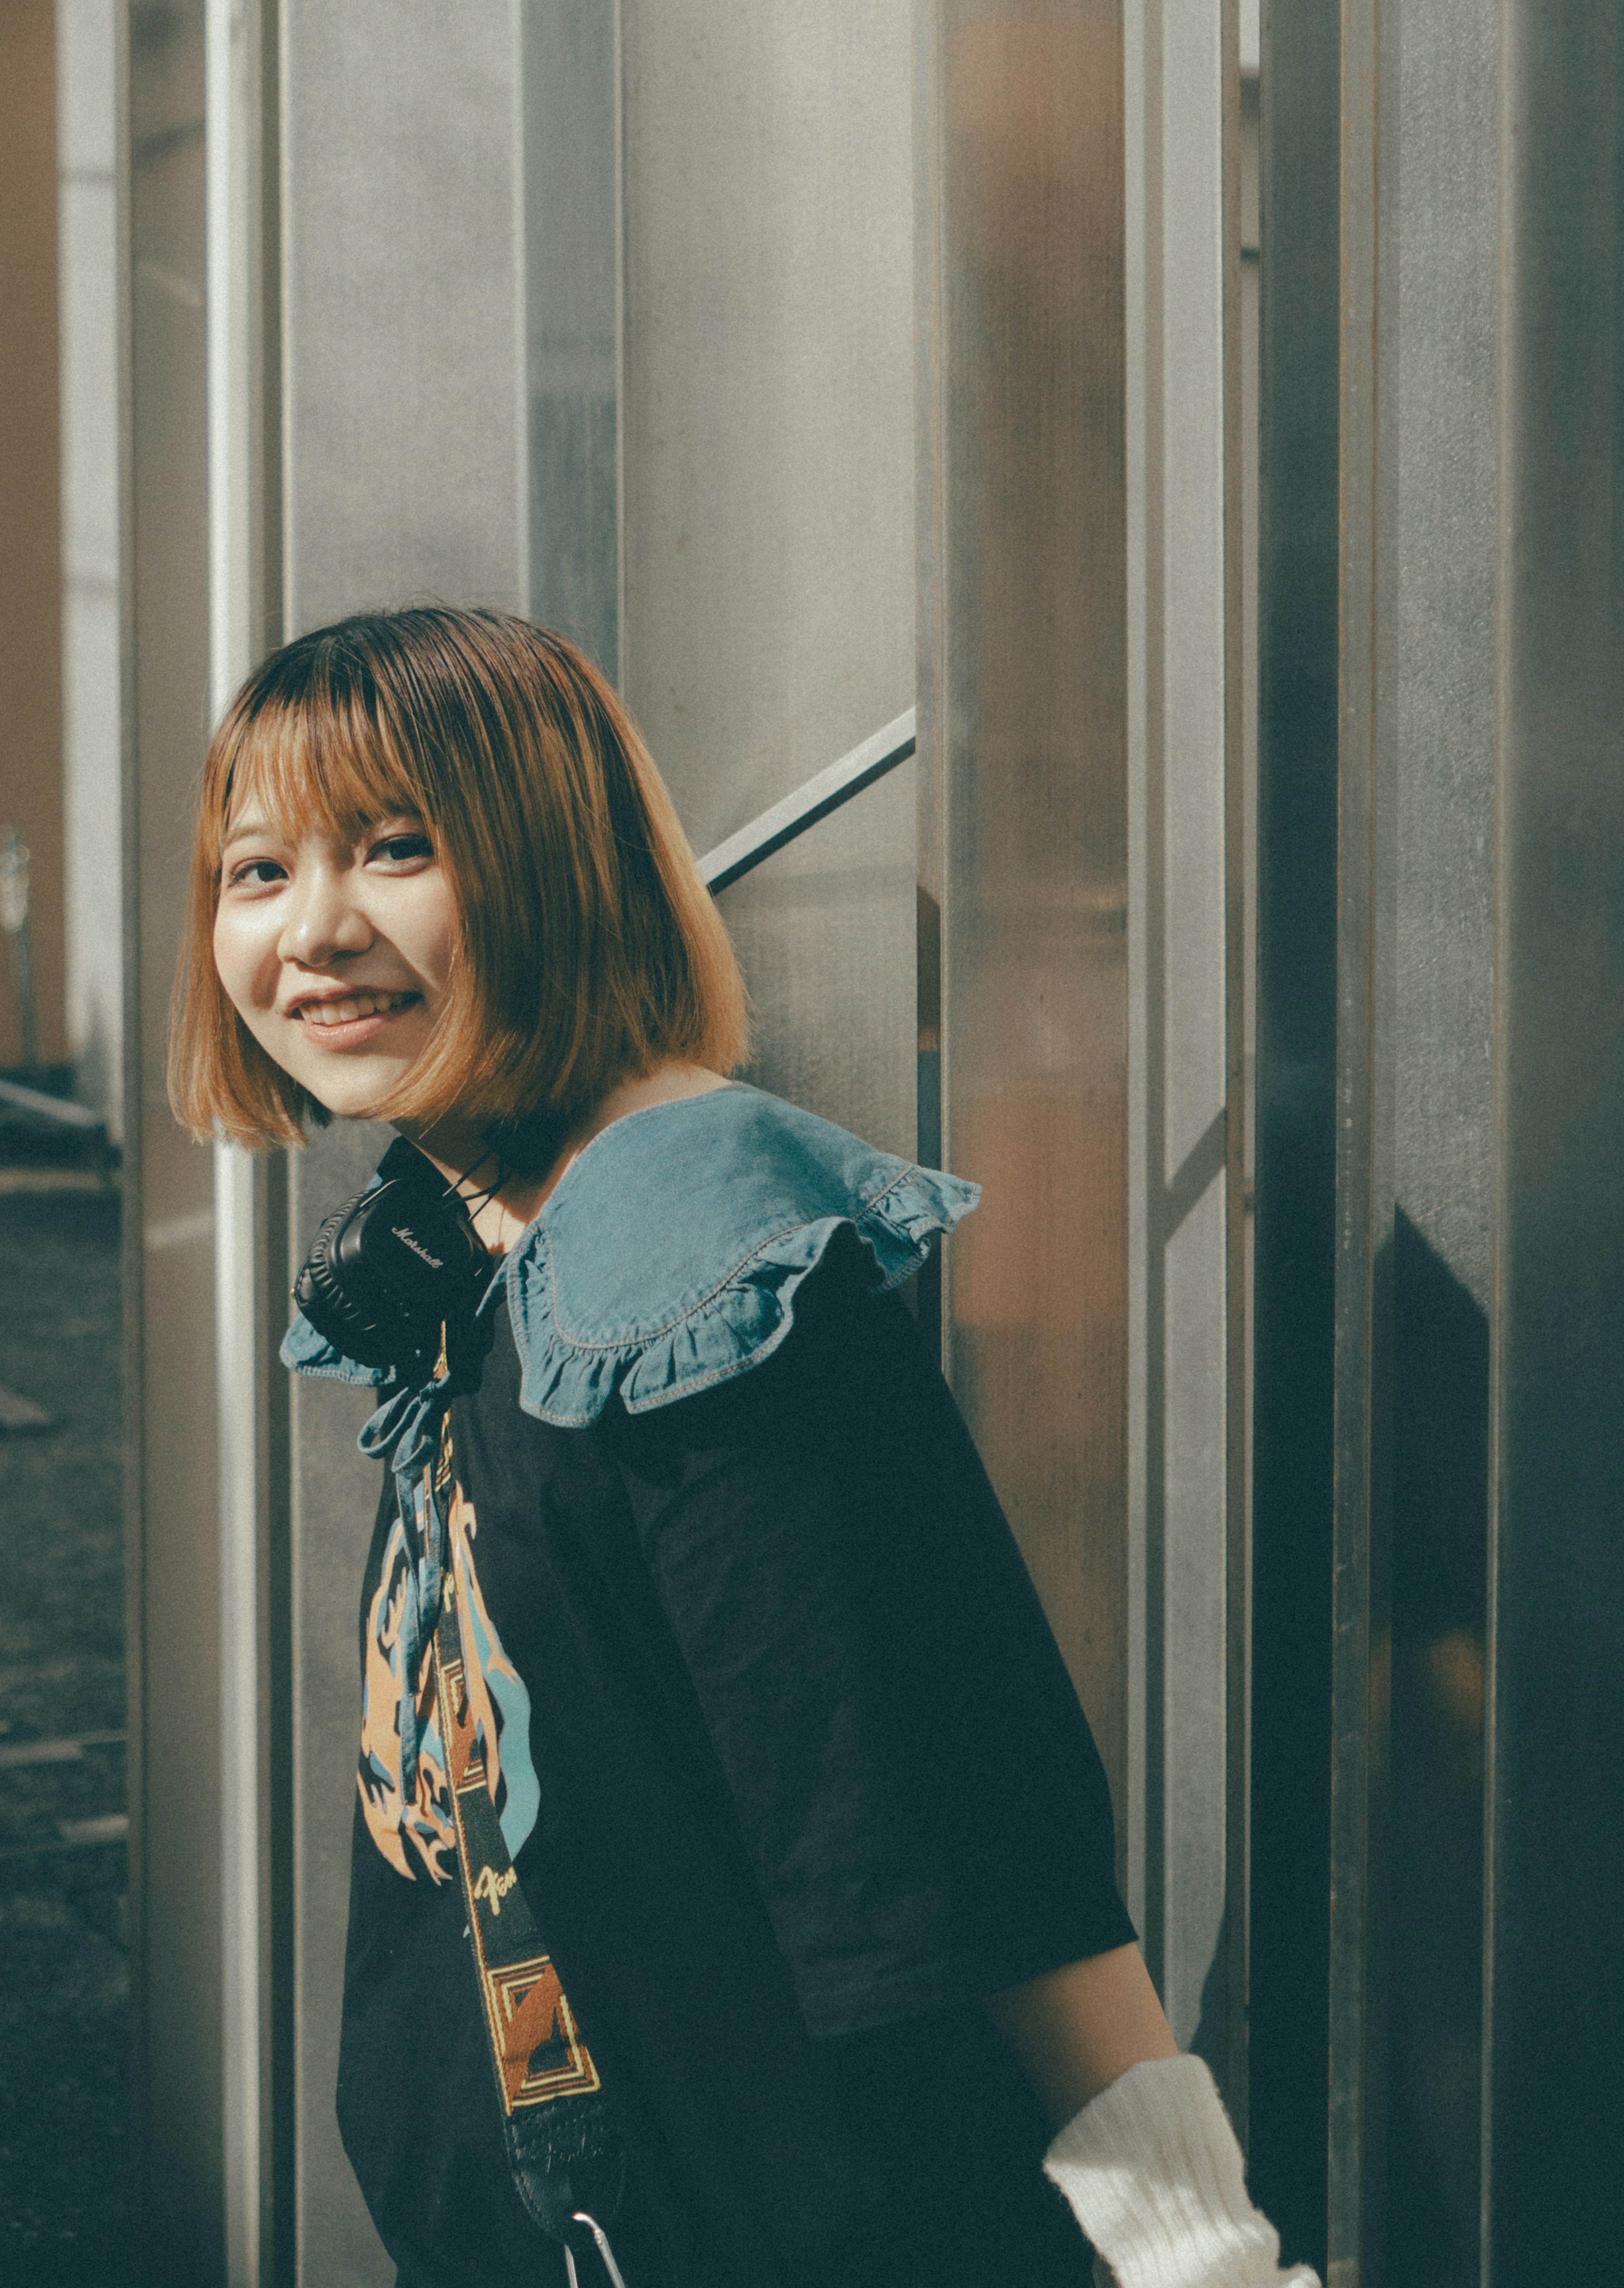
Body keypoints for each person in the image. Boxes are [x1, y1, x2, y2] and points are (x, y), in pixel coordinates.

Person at [172, 606, 1314, 2288]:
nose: (315, 931)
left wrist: (1202, 2258)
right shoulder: (488, 1231)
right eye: (257, 871)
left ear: (551, 862)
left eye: (396, 849)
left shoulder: (692, 1272)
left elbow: (955, 1832)